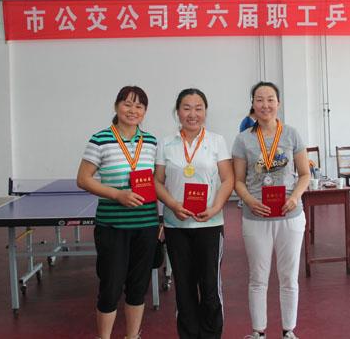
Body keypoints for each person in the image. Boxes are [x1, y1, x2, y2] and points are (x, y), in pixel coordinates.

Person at [77, 86, 159, 339]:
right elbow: (83, 179)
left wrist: (162, 220)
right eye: (127, 104)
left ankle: (133, 336)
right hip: (112, 227)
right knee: (110, 289)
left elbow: (157, 183)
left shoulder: (151, 141)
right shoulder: (100, 139)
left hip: (146, 225)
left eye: (139, 106)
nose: (133, 110)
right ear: (116, 106)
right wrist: (117, 195)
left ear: (145, 111)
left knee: (138, 288)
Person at [231, 81, 310, 339]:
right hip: (256, 216)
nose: (265, 104)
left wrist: (295, 197)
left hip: (290, 215)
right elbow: (237, 180)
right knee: (258, 277)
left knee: (289, 277)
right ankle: (259, 332)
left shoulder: (291, 134)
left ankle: (289, 331)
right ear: (252, 104)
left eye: (270, 99)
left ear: (278, 103)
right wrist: (249, 201)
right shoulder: (243, 139)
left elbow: (305, 174)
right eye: (259, 99)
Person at [154, 88, 234, 339]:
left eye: (198, 108)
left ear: (205, 112)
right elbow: (157, 181)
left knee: (210, 287)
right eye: (186, 108)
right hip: (176, 226)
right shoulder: (165, 143)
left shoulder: (216, 141)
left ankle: (211, 335)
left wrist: (215, 208)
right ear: (177, 112)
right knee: (184, 288)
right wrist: (173, 205)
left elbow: (228, 179)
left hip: (210, 225)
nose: (192, 114)